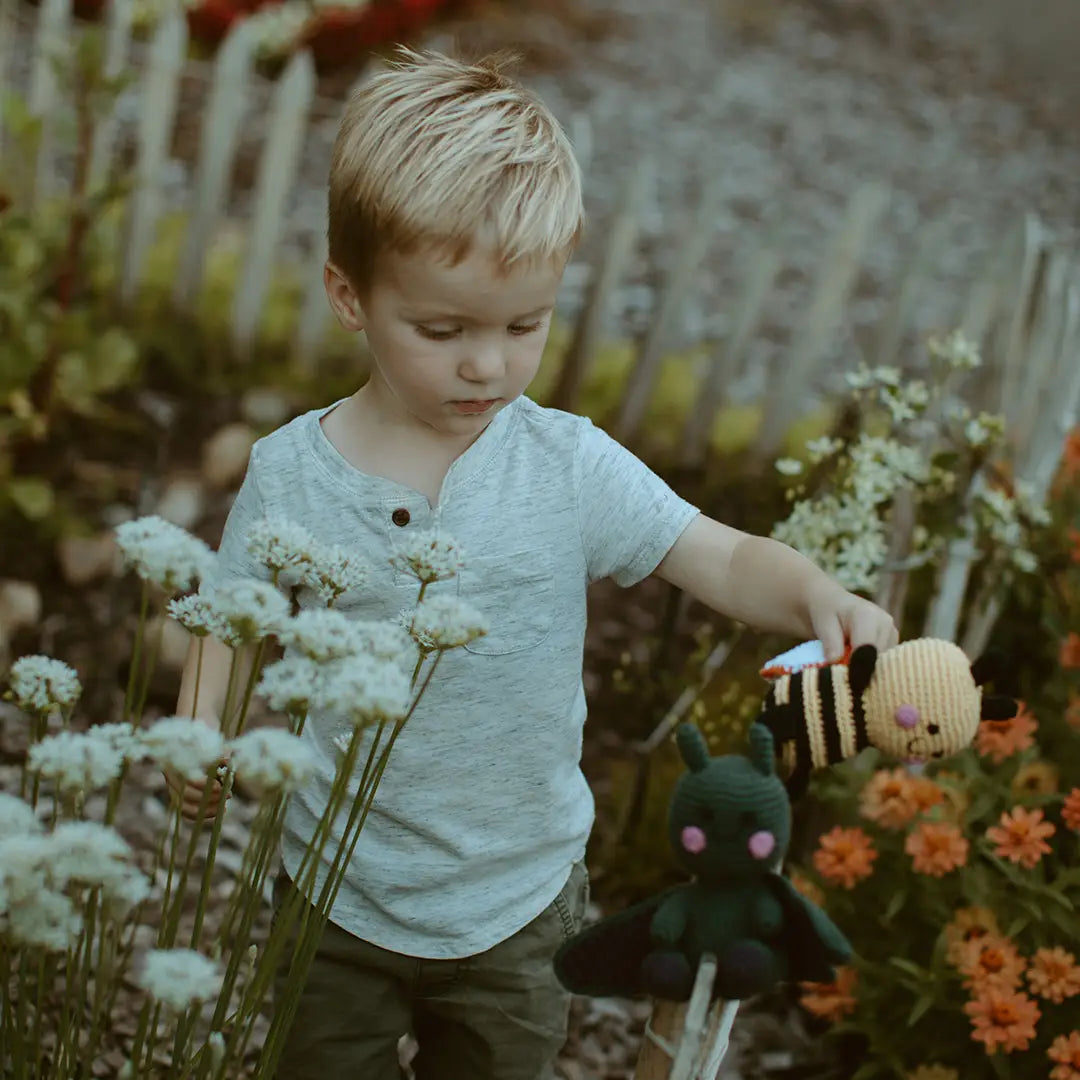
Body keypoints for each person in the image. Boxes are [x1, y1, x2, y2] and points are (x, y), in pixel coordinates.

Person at [169, 47, 898, 1080]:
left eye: (526, 325)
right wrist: (202, 723)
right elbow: (229, 621)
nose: (489, 364)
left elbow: (721, 558)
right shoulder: (293, 476)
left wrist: (817, 593)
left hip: (518, 903)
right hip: (336, 891)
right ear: (348, 296)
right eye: (443, 328)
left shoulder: (566, 465)